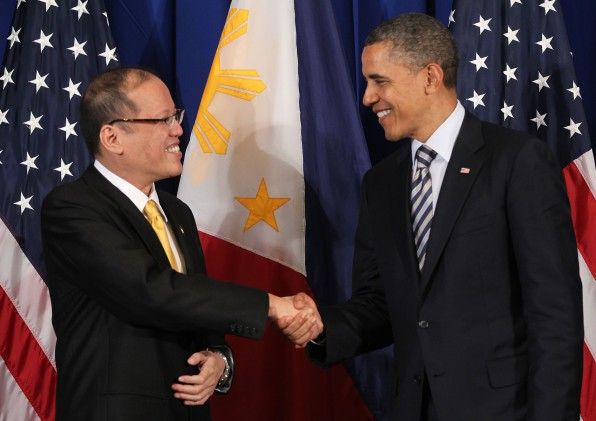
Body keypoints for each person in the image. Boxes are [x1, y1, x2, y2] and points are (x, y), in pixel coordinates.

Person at [283, 13, 583, 421]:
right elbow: (381, 305)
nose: (368, 98)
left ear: (429, 76)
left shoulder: (515, 162)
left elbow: (554, 316)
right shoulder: (381, 183)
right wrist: (322, 326)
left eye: (379, 81)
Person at [41, 67, 321, 421]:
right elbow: (149, 291)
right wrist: (270, 305)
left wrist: (220, 358)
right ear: (113, 138)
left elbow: (195, 304)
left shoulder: (176, 212)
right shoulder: (73, 208)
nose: (178, 130)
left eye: (176, 116)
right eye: (162, 120)